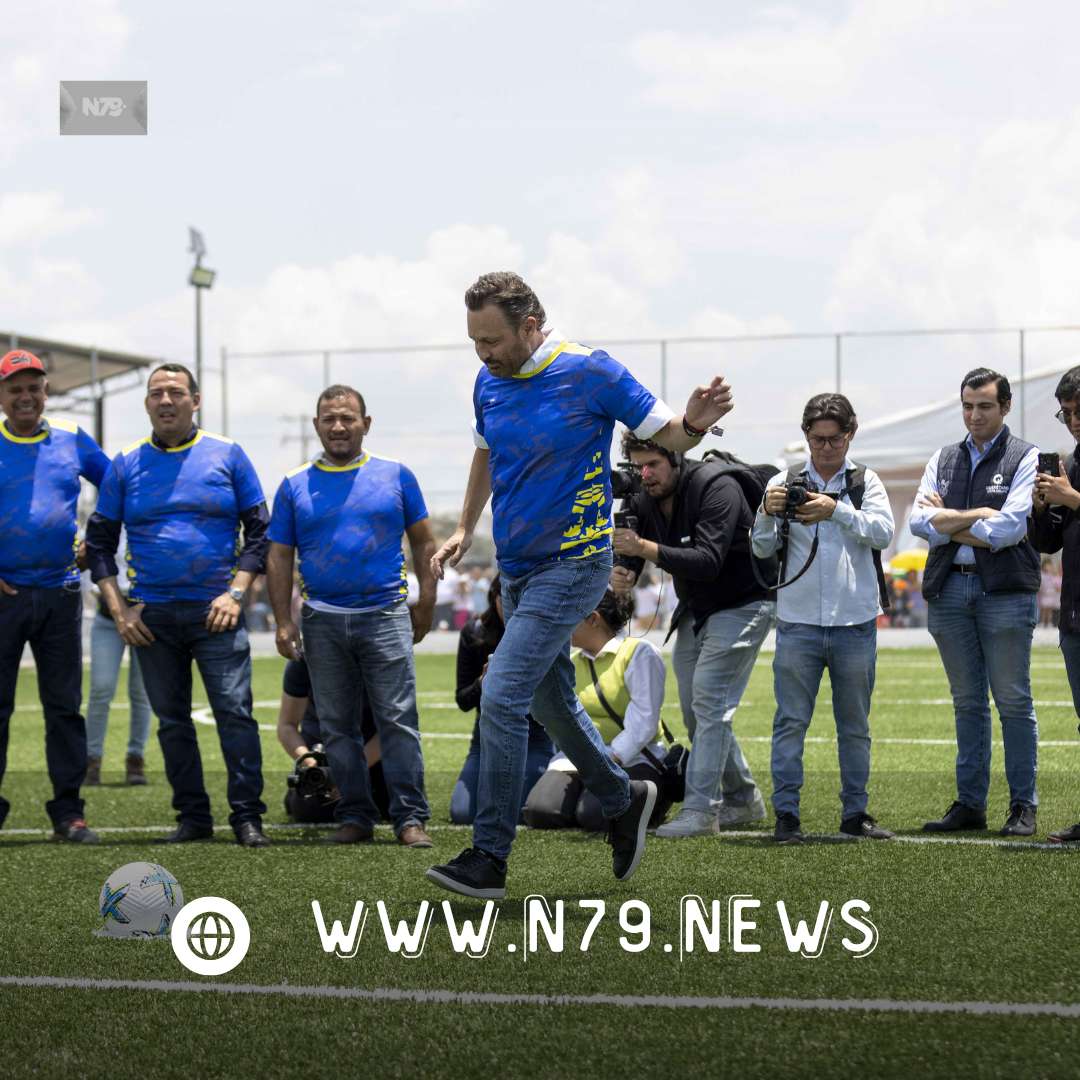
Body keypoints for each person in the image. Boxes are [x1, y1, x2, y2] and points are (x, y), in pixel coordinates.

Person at [426, 270, 733, 899]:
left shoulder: (590, 370)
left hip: (573, 564)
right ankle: (624, 799)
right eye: (473, 341)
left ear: (531, 326)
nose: (481, 354)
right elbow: (487, 454)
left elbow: (664, 432)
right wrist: (463, 527)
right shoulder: (489, 382)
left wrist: (694, 425)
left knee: (503, 696)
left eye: (491, 340)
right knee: (551, 704)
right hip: (516, 570)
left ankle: (489, 855)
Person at [86, 362, 271, 847]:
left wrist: (236, 593)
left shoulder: (228, 455)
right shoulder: (125, 463)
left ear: (196, 399)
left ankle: (247, 816)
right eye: (155, 394)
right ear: (147, 404)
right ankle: (193, 818)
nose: (165, 401)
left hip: (217, 613)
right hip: (152, 619)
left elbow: (261, 531)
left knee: (235, 714)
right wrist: (120, 610)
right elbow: (99, 543)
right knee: (173, 722)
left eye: (174, 392)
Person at [267, 384, 437, 848]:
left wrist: (426, 600)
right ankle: (355, 817)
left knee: (398, 719)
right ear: (317, 425)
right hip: (321, 620)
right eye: (329, 419)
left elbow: (424, 541)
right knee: (337, 726)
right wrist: (284, 621)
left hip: (385, 615)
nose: (338, 426)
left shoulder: (396, 475)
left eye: (347, 418)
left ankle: (409, 819)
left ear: (366, 423)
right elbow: (279, 556)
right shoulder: (293, 484)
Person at [612, 432, 775, 837]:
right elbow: (632, 549)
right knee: (695, 710)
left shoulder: (717, 486)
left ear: (676, 458)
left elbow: (707, 560)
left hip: (744, 601)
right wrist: (624, 570)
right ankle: (743, 799)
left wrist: (644, 548)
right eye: (637, 466)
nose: (644, 474)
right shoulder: (642, 495)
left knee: (709, 702)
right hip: (696, 609)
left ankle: (701, 811)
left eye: (653, 464)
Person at [752, 393, 895, 843]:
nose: (826, 448)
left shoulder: (865, 481)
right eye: (817, 440)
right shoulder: (783, 480)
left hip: (854, 621)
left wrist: (836, 510)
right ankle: (786, 816)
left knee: (855, 725)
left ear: (850, 435)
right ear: (806, 436)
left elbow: (884, 532)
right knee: (790, 721)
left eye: (835, 439)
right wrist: (765, 510)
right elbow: (760, 547)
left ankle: (856, 813)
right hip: (797, 621)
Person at [910, 367, 1041, 837]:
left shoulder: (1026, 456)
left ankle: (1023, 805)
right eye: (967, 405)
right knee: (967, 703)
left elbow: (1011, 530)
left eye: (984, 405)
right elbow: (916, 522)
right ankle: (970, 804)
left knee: (1012, 702)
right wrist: (980, 515)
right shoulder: (943, 457)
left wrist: (950, 523)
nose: (974, 414)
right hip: (949, 590)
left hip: (1003, 592)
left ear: (1005, 407)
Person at [0, 349, 110, 843]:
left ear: (46, 392)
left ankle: (69, 813)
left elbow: (118, 486)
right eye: (14, 388)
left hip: (61, 593)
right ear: (1, 396)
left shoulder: (72, 438)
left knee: (64, 708)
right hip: (3, 597)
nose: (25, 396)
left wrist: (98, 539)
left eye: (33, 387)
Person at [522, 589, 672, 832]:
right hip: (581, 757)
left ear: (593, 619)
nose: (561, 624)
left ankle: (653, 795)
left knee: (594, 815)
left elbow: (644, 723)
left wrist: (604, 760)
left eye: (568, 617)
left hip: (633, 757)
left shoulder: (639, 653)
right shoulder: (570, 661)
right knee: (540, 812)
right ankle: (587, 798)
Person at [450, 574, 554, 824]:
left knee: (517, 810)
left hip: (535, 737)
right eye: (508, 598)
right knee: (463, 813)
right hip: (487, 738)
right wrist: (483, 682)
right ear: (495, 598)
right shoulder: (474, 633)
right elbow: (463, 700)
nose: (514, 607)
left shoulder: (546, 631)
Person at [1030, 365, 1080, 843]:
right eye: (1066, 413)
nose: (1073, 420)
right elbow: (1048, 540)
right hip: (1074, 611)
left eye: (1079, 410)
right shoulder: (1073, 460)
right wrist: (1043, 506)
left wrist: (1073, 497)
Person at [276, 656, 390, 825]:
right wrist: (310, 763)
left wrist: (351, 771)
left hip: (374, 754)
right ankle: (298, 791)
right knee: (310, 813)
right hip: (323, 753)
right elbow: (287, 726)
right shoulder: (302, 660)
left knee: (392, 805)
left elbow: (391, 731)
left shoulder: (380, 657)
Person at [85, 552, 153, 786]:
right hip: (107, 617)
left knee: (141, 692)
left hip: (145, 614)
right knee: (101, 689)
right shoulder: (103, 521)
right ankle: (91, 760)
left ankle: (136, 758)